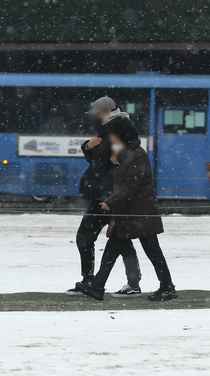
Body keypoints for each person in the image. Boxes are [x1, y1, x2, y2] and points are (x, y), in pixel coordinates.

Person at [78, 116, 177, 302]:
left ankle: (167, 287)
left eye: (113, 135)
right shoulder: (128, 154)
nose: (111, 139)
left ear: (121, 135)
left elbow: (131, 186)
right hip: (130, 213)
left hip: (140, 214)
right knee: (114, 248)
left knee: (152, 251)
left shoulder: (137, 155)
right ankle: (97, 286)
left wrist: (110, 201)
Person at [66, 96, 142, 298]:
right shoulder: (109, 129)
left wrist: (111, 191)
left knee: (109, 238)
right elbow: (102, 160)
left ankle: (118, 283)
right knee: (98, 238)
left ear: (107, 111)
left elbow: (118, 164)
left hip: (110, 196)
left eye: (97, 113)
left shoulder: (119, 129)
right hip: (103, 195)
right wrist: (87, 147)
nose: (95, 117)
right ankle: (92, 280)